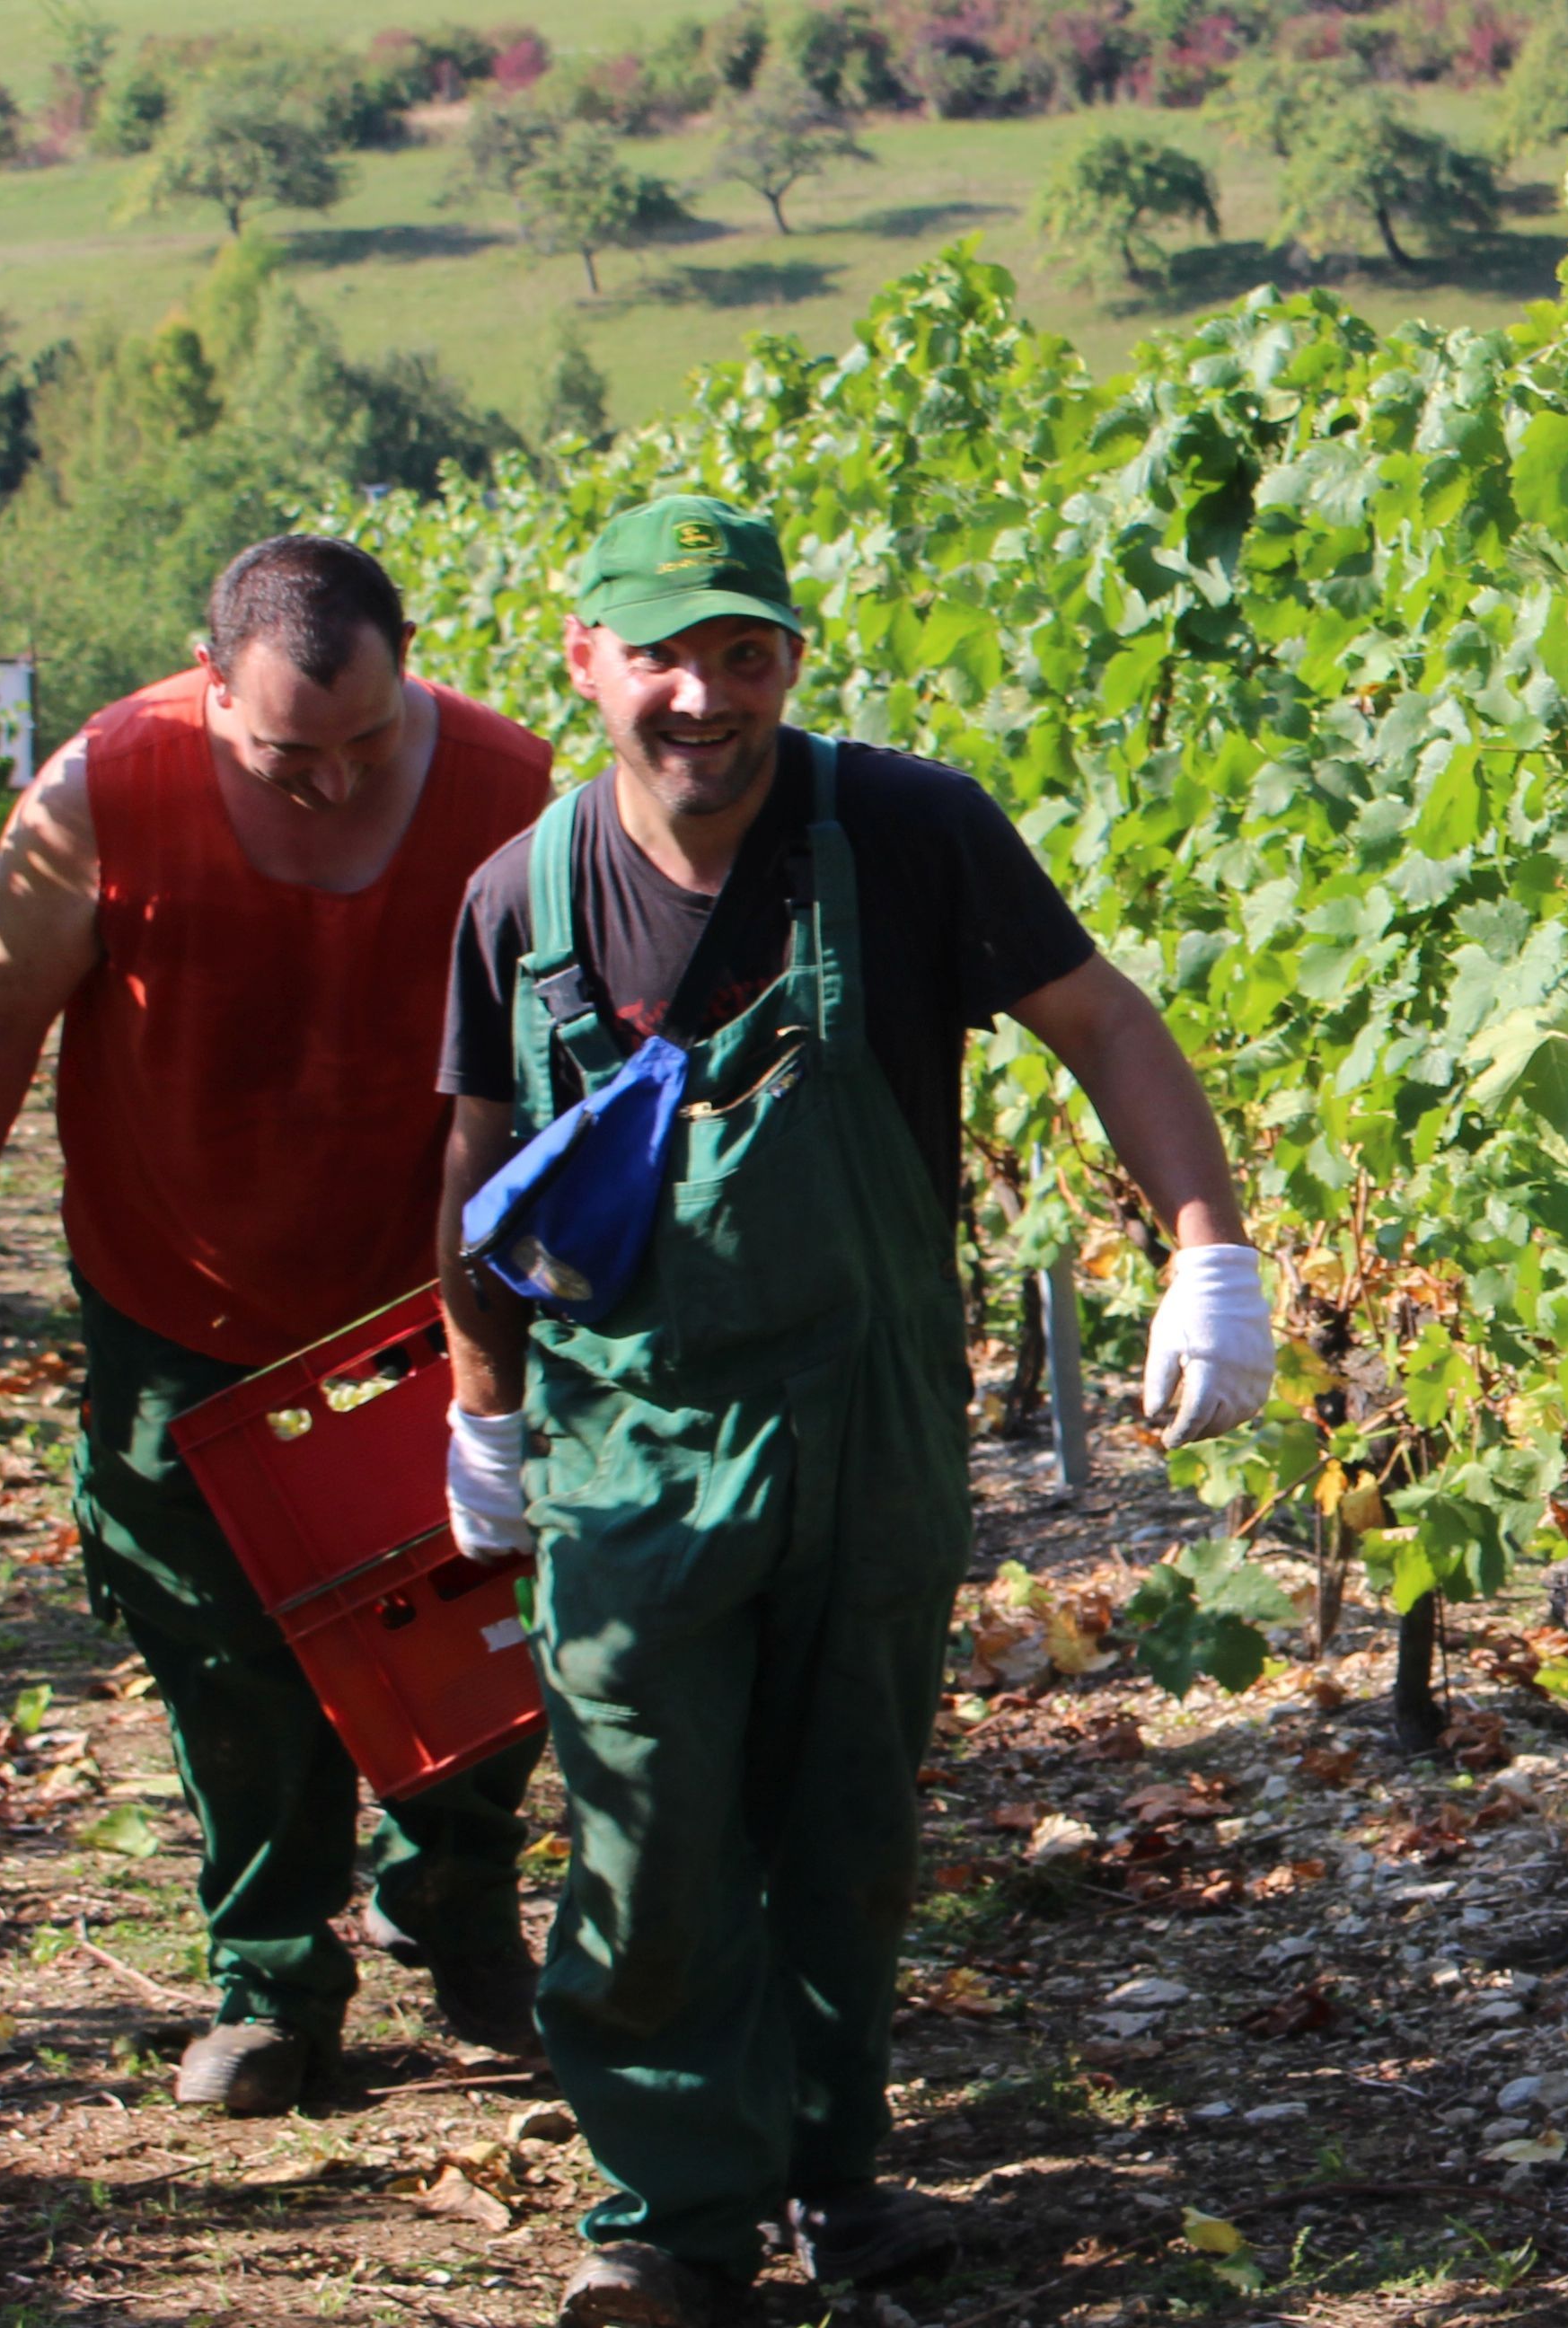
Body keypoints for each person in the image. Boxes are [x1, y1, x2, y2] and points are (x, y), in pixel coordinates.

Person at [433, 497, 1275, 2328]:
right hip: (631, 1446)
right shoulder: (524, 896)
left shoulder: (901, 832)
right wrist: (481, 1408)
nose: (703, 697)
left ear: (790, 664)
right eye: (661, 654)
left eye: (745, 655)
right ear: (586, 660)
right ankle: (669, 2221)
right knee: (649, 1833)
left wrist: (1208, 1248)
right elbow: (479, 1168)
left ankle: (828, 2170)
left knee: (844, 1825)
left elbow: (1107, 1026)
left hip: (869, 1429)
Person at [0, 536, 560, 2114]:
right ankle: (273, 1980)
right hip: (182, 1295)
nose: (331, 785)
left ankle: (457, 1912)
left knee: (473, 1616)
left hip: (430, 1294)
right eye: (286, 755)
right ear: (210, 687)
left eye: (366, 744)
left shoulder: (503, 786)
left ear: (413, 669)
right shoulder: (101, 795)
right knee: (225, 1655)